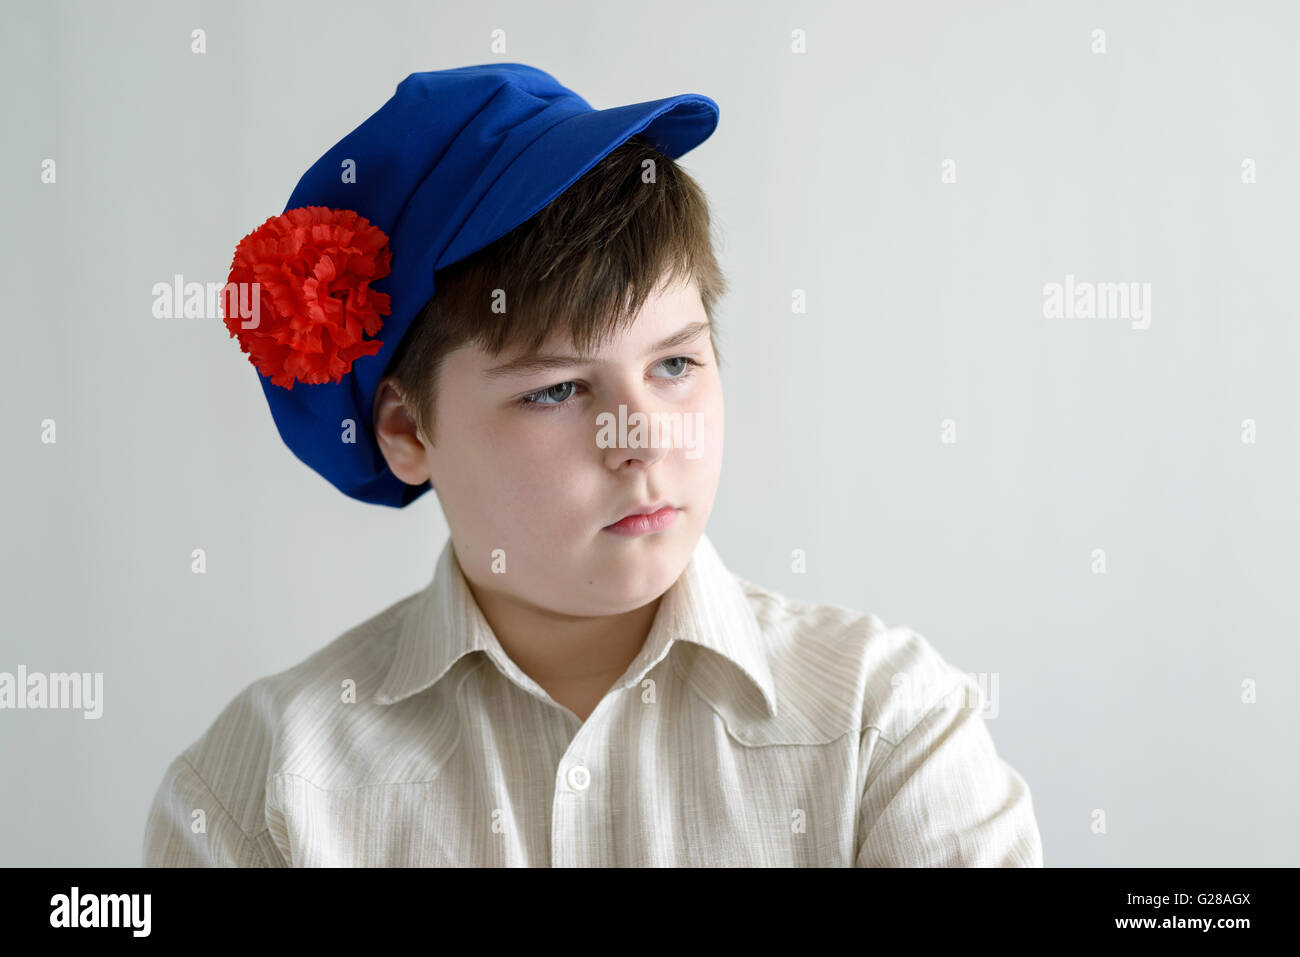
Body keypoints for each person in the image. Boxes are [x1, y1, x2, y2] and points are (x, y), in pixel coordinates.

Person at [143, 63, 1043, 866]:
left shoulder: (882, 727)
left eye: (675, 365)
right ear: (409, 429)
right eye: (558, 390)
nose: (643, 440)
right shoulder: (263, 798)